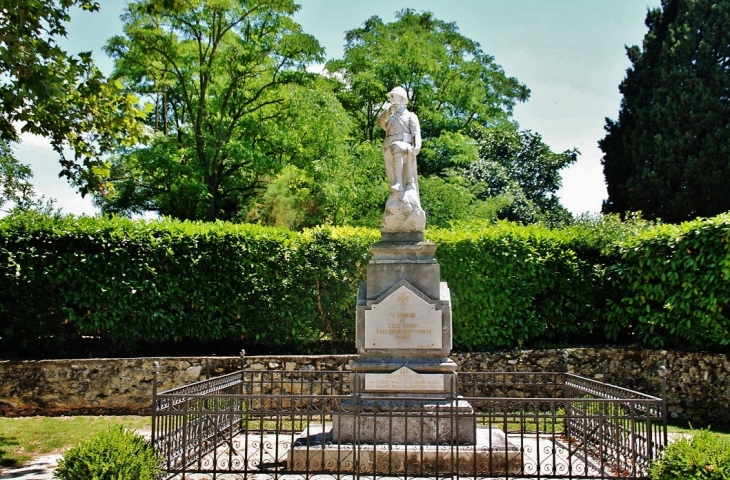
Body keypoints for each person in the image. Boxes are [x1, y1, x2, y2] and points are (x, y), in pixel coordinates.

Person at [378, 87, 421, 200]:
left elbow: (416, 133)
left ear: (402, 99)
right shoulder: (389, 116)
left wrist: (417, 146)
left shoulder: (410, 116)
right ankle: (396, 186)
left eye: (393, 96)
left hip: (405, 146)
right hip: (389, 148)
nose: (391, 98)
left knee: (397, 146)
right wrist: (388, 111)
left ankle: (399, 183)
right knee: (390, 176)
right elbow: (381, 123)